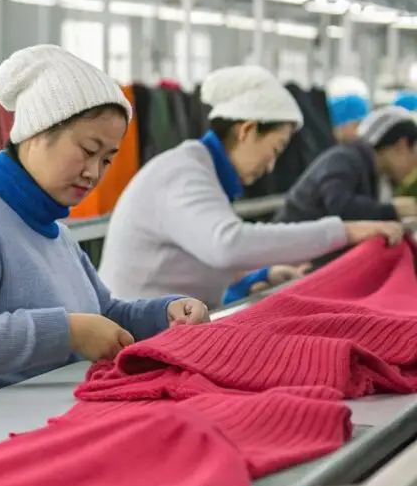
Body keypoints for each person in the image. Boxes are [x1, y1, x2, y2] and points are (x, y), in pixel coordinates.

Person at [0, 45, 210, 423]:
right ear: (35, 132)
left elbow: (105, 313)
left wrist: (165, 313)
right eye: (87, 150)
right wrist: (67, 331)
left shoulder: (54, 232)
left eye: (107, 159)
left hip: (26, 423)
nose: (94, 173)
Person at [99, 65, 404, 309]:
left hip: (168, 325)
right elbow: (227, 244)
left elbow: (197, 252)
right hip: (132, 336)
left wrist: (259, 275)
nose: (271, 166)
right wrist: (344, 231)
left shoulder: (203, 171)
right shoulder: (183, 172)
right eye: (275, 149)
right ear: (247, 131)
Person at [277, 106, 417, 225]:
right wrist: (393, 210)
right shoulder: (345, 160)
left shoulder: (376, 173)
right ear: (401, 145)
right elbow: (340, 207)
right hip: (291, 248)